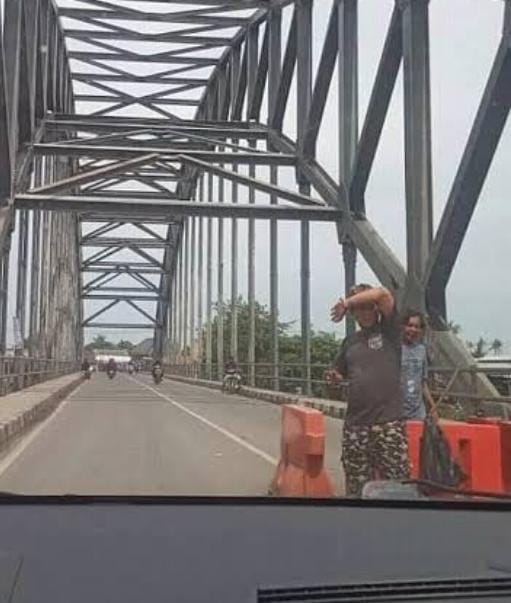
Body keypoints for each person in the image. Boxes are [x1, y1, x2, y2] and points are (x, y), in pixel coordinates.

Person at [325, 284, 410, 498]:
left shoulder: (390, 330)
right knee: (356, 488)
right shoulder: (350, 342)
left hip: (388, 424)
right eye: (357, 309)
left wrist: (346, 303)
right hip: (356, 426)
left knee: (397, 487)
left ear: (375, 308)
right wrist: (334, 378)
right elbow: (338, 374)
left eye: (365, 306)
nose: (361, 312)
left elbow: (383, 293)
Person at [401, 310, 436, 420]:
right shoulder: (395, 349)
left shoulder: (422, 350)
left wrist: (433, 407)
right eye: (410, 325)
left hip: (418, 413)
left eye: (417, 327)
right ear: (403, 327)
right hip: (399, 413)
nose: (413, 329)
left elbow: (423, 383)